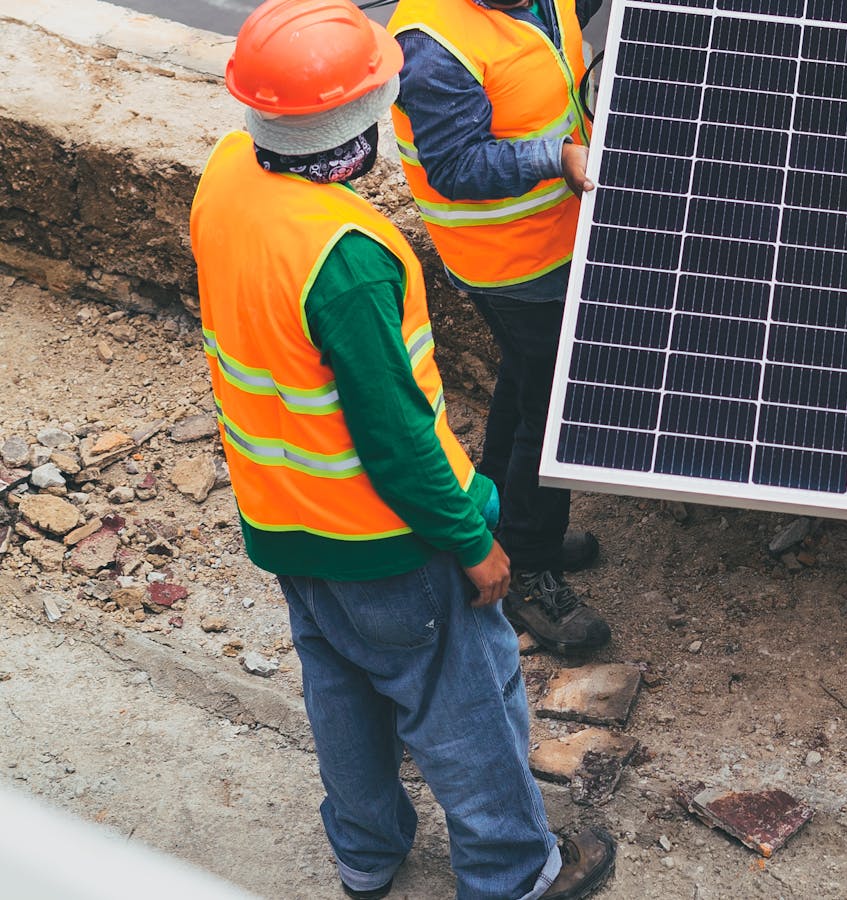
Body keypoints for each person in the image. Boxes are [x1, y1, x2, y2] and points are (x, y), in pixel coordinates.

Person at [189, 2, 615, 897]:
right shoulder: (345, 257)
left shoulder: (227, 175)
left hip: (282, 521)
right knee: (469, 706)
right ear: (358, 122)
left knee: (341, 693)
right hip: (385, 543)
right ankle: (512, 871)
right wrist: (473, 542)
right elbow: (395, 440)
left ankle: (366, 852)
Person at [387, 0, 611, 657]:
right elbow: (455, 167)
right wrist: (556, 156)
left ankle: (499, 524)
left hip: (564, 236)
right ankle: (530, 572)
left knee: (526, 381)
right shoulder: (432, 45)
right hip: (510, 264)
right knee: (555, 411)